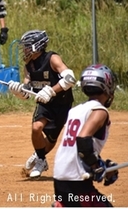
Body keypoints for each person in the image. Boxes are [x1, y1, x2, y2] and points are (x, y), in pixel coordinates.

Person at [8, 30, 75, 178]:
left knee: (50, 140)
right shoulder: (28, 66)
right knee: (36, 128)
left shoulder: (52, 58)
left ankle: (38, 154)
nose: (24, 50)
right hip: (44, 104)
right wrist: (19, 91)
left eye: (26, 46)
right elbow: (27, 89)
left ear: (36, 46)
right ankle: (41, 160)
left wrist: (51, 91)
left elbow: (70, 79)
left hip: (61, 103)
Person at [53, 64, 118, 207]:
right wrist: (95, 165)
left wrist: (102, 165)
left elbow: (80, 148)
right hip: (75, 179)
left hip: (61, 175)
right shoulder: (99, 111)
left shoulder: (76, 110)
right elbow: (83, 139)